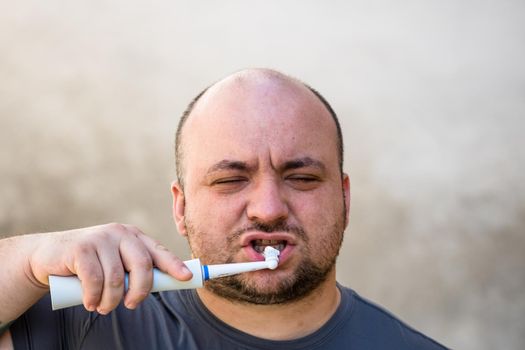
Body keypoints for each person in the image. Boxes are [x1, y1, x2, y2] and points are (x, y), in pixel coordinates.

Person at [0, 68, 447, 349]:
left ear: (345, 199)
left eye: (303, 178)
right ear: (181, 206)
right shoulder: (91, 322)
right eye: (231, 180)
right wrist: (30, 260)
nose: (268, 209)